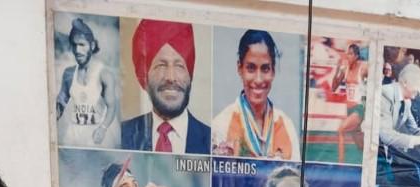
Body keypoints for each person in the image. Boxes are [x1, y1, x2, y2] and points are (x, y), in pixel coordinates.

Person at [121, 20, 210, 154]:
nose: (171, 77)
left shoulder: (212, 142)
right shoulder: (123, 136)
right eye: (161, 65)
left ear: (189, 75)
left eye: (179, 66)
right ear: (145, 76)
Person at [212, 30, 299, 160]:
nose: (258, 79)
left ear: (273, 71)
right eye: (251, 68)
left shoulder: (286, 125)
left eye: (265, 69)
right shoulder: (221, 125)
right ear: (240, 68)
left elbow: (297, 173)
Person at [378, 63, 420, 187]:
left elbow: (413, 129)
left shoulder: (407, 101)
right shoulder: (385, 94)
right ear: (405, 82)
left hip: (387, 156)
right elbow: (386, 136)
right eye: (418, 84)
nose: (419, 90)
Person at [56, 17, 119, 148]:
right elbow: (60, 103)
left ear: (92, 45)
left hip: (97, 133)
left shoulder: (104, 74)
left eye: (82, 45)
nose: (77, 50)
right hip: (74, 135)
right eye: (74, 45)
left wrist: (103, 128)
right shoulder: (68, 73)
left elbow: (112, 107)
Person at [330, 43, 367, 162]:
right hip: (349, 110)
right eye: (347, 53)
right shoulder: (345, 69)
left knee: (341, 129)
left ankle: (340, 164)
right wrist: (337, 70)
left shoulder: (363, 68)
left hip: (359, 109)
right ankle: (375, 159)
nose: (348, 56)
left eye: (350, 54)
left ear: (356, 56)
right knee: (361, 146)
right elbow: (333, 87)